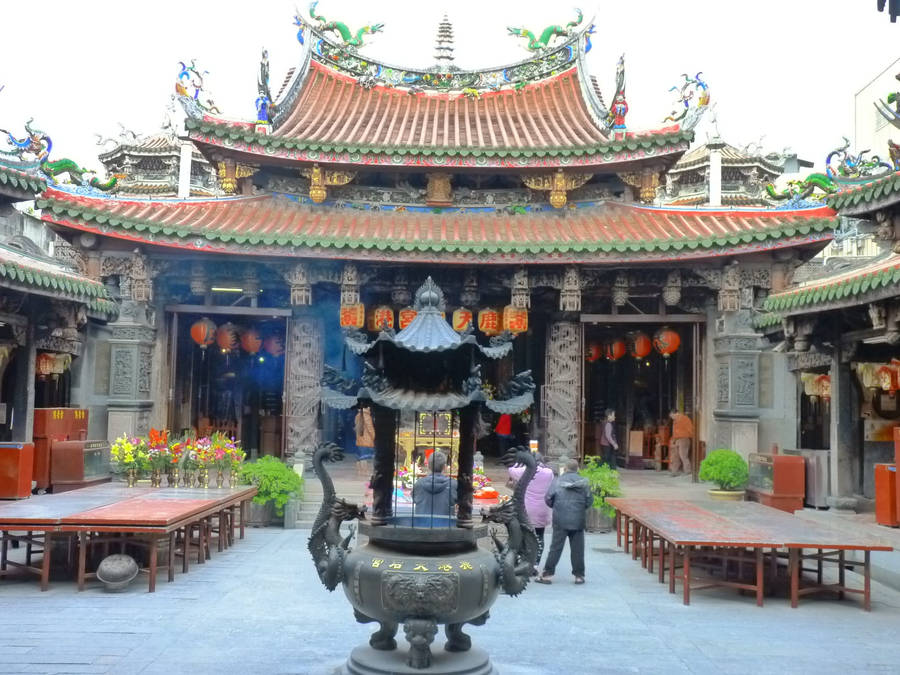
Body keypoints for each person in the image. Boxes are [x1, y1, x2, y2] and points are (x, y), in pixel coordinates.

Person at [536, 459, 592, 585]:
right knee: (578, 549)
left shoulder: (557, 481)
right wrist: (579, 509)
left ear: (565, 468)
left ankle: (547, 575)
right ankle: (579, 576)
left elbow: (548, 498)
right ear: (577, 469)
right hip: (578, 520)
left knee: (555, 548)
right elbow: (589, 501)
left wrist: (556, 506)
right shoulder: (584, 483)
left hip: (560, 519)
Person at [508, 453, 554, 572]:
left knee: (524, 535)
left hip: (526, 509)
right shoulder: (548, 473)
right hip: (542, 510)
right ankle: (535, 564)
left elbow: (511, 469)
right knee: (539, 536)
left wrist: (521, 463)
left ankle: (524, 561)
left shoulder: (524, 471)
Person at [412, 451, 458, 518]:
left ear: (428, 466)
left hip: (422, 525)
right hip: (446, 525)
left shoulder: (418, 484)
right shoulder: (453, 484)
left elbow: (414, 499)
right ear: (445, 467)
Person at [669, 409, 694, 476]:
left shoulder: (684, 419)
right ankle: (674, 471)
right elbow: (675, 432)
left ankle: (688, 471)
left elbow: (690, 430)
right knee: (675, 456)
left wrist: (687, 436)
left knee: (683, 456)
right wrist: (674, 440)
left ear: (676, 413)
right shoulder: (675, 421)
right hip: (677, 439)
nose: (671, 417)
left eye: (672, 416)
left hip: (684, 439)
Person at [354, 406, 375, 478]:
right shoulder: (366, 416)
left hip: (359, 439)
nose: (370, 408)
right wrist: (375, 437)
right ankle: (365, 472)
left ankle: (360, 471)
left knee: (359, 457)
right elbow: (370, 428)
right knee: (364, 457)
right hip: (366, 440)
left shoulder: (357, 415)